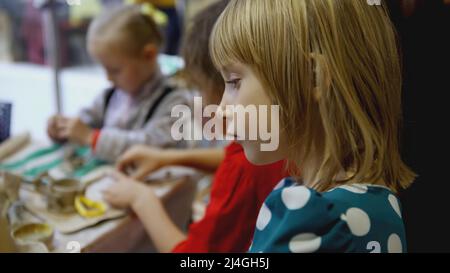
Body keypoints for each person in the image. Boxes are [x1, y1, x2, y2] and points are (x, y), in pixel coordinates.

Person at [208, 0, 416, 253]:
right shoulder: (378, 202)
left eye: (234, 82)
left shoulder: (315, 224)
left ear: (312, 76)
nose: (221, 109)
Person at [103, 0, 286, 253]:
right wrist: (167, 158)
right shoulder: (279, 141)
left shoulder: (243, 168)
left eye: (232, 83)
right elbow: (233, 157)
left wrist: (141, 199)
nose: (217, 106)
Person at [46, 4, 193, 162]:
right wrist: (64, 130)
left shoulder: (177, 102)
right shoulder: (111, 96)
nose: (108, 78)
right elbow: (86, 121)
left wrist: (92, 138)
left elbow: (151, 147)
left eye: (115, 70)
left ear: (149, 55)